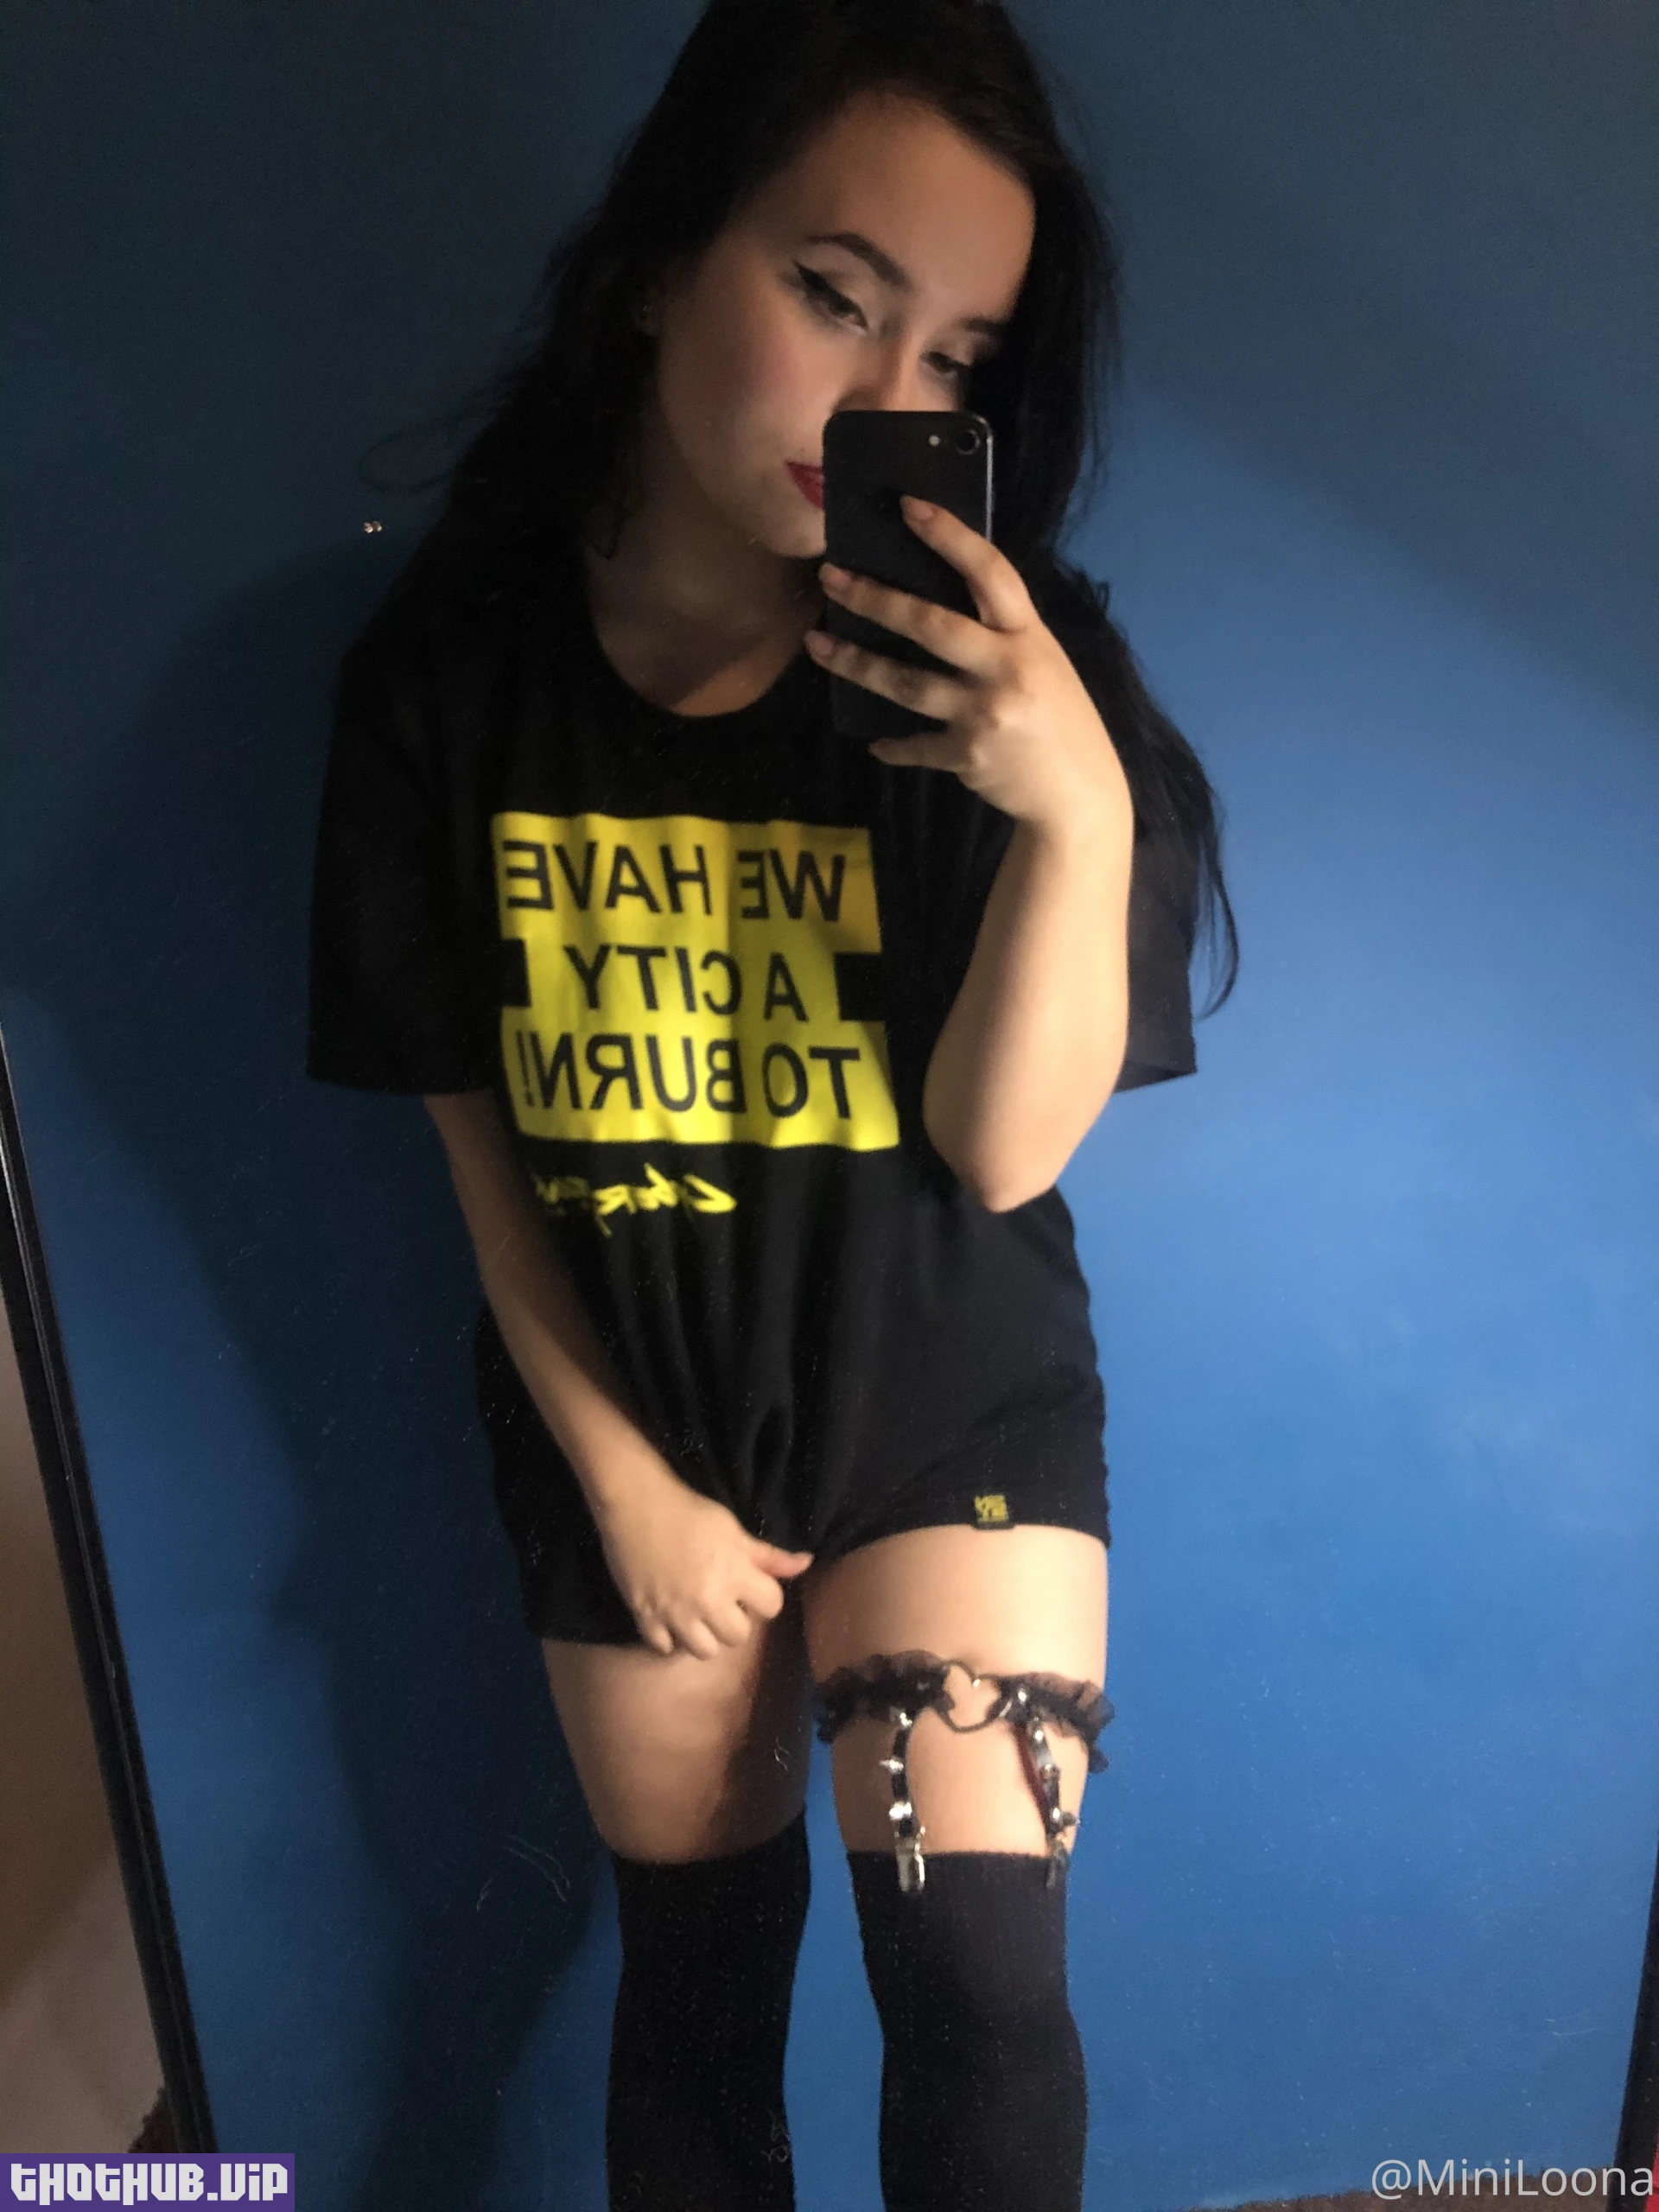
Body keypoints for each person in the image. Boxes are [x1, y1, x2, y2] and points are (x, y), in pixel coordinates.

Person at [307, 3, 1237, 2206]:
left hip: (952, 1403)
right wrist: (628, 1485)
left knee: (979, 1988)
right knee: (700, 1996)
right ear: (659, 264)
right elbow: (479, 1156)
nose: (888, 396)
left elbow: (1003, 1151)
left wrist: (1077, 808)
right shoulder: (447, 683)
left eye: (956, 357)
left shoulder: (1001, 679)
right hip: (629, 1424)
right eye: (836, 295)